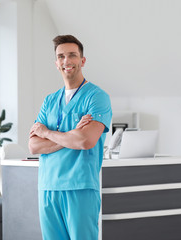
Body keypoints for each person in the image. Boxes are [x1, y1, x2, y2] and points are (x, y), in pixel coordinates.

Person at [29, 35, 112, 240]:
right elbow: (33, 146)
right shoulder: (49, 101)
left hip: (80, 186)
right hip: (48, 187)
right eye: (61, 56)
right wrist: (71, 134)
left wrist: (47, 133)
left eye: (72, 55)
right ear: (56, 63)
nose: (67, 61)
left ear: (82, 60)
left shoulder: (97, 97)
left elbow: (85, 141)